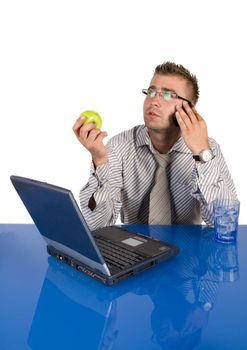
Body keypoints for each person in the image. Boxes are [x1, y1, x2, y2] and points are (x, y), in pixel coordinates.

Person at [73, 61, 237, 230]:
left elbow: (226, 226)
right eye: (151, 92)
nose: (154, 101)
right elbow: (96, 225)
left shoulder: (207, 149)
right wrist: (100, 160)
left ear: (190, 108)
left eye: (167, 95)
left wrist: (202, 155)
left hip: (189, 251)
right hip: (134, 251)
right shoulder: (120, 146)